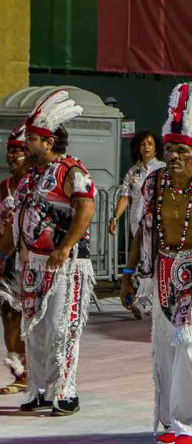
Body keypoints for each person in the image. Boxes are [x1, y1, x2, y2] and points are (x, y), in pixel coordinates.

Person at [119, 85, 192, 444]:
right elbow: (140, 232)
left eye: (181, 150)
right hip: (163, 270)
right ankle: (170, 421)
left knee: (186, 341)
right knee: (166, 346)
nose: (174, 155)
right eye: (170, 149)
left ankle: (189, 424)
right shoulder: (153, 182)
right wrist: (127, 275)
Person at [11, 89, 94, 415]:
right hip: (33, 263)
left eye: (32, 138)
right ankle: (40, 389)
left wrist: (64, 247)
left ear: (48, 142)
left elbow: (86, 209)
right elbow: (20, 218)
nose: (25, 144)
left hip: (66, 263)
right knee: (36, 331)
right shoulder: (30, 176)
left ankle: (66, 393)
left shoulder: (72, 170)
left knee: (63, 328)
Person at [108, 130, 166, 319]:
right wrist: (115, 217)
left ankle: (146, 301)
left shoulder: (163, 168)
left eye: (150, 143)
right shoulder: (133, 172)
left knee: (153, 261)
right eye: (142, 144)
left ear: (156, 147)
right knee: (144, 260)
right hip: (137, 223)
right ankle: (149, 300)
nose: (146, 147)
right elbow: (125, 196)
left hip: (158, 223)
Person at [0, 124, 30, 395]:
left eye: (17, 151)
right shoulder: (4, 187)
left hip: (34, 262)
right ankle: (19, 372)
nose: (11, 156)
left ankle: (36, 373)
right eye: (9, 151)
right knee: (9, 315)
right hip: (7, 262)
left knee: (33, 320)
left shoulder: (37, 184)